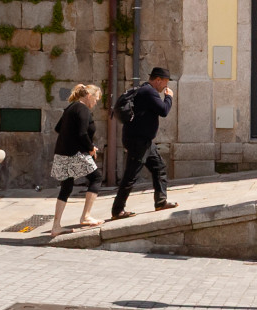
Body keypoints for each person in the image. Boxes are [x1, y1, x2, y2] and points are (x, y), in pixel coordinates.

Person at [108, 67, 176, 218]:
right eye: (165, 82)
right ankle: (117, 210)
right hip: (138, 141)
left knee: (159, 168)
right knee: (130, 175)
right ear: (158, 80)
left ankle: (161, 202)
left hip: (144, 141)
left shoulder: (144, 89)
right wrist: (169, 97)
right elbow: (164, 111)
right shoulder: (149, 92)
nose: (166, 86)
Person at [49, 83, 103, 237]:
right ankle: (86, 216)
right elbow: (82, 133)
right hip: (75, 153)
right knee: (96, 178)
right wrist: (91, 148)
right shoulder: (83, 109)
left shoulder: (71, 107)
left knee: (66, 186)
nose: (96, 103)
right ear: (89, 96)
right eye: (96, 99)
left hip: (62, 152)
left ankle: (56, 226)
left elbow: (58, 128)